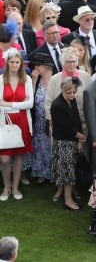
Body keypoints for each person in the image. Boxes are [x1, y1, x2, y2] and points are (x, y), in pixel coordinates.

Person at [0, 48, 33, 201]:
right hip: (4, 121)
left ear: (21, 63)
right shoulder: (1, 79)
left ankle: (15, 186)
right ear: (7, 62)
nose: (14, 65)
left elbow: (30, 104)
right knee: (4, 159)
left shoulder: (27, 79)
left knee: (19, 156)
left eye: (17, 62)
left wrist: (9, 104)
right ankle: (6, 186)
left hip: (22, 121)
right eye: (12, 62)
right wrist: (17, 104)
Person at [50, 77, 85, 211]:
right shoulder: (57, 105)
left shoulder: (72, 100)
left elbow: (77, 120)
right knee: (67, 173)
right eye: (68, 92)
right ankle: (68, 200)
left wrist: (79, 140)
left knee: (66, 171)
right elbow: (65, 127)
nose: (72, 95)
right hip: (63, 142)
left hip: (71, 141)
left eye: (74, 92)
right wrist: (80, 136)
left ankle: (64, 194)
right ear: (62, 91)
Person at [30, 53, 55, 184]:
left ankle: (52, 173)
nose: (35, 67)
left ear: (45, 67)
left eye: (38, 65)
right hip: (39, 121)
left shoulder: (55, 80)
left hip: (51, 122)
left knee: (50, 147)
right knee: (40, 147)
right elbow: (31, 100)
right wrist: (33, 81)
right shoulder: (37, 80)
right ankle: (42, 173)